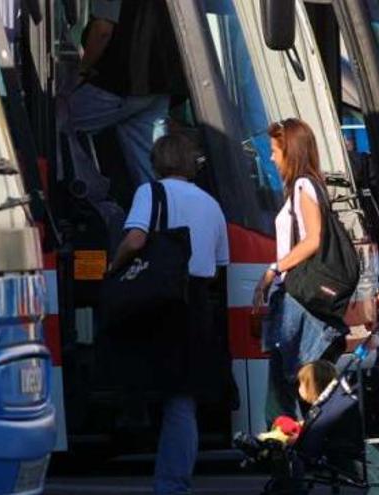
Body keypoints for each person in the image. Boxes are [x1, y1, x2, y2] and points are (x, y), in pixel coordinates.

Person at [108, 133, 231, 494]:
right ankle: (173, 480)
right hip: (195, 304)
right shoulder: (211, 203)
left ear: (158, 160)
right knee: (183, 398)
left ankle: (165, 476)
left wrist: (113, 268)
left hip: (157, 302)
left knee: (144, 378)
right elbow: (219, 264)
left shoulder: (150, 192)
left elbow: (135, 240)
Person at [251, 118, 346, 423]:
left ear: (290, 151)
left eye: (274, 150)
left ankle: (288, 458)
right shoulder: (310, 185)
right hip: (299, 294)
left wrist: (273, 270)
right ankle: (305, 456)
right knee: (301, 382)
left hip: (296, 296)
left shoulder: (303, 185)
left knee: (287, 386)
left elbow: (313, 239)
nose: (271, 157)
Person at [62, 0, 185, 201]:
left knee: (59, 122)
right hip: (160, 84)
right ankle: (162, 221)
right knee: (151, 168)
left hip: (120, 83)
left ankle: (87, 195)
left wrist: (81, 71)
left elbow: (102, 30)